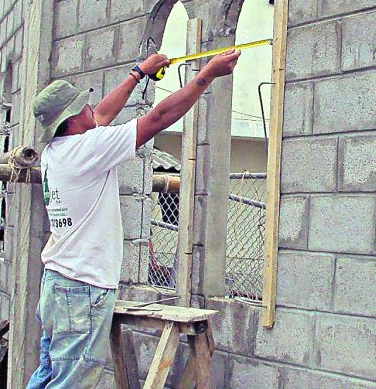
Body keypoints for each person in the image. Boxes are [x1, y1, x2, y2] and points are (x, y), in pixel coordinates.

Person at [26, 49, 241, 389]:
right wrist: (207, 76)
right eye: (82, 107)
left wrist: (138, 72)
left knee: (49, 375)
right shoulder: (88, 149)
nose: (89, 109)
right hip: (80, 289)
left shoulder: (59, 150)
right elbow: (157, 119)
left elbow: (101, 114)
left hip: (58, 284)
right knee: (69, 383)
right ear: (71, 119)